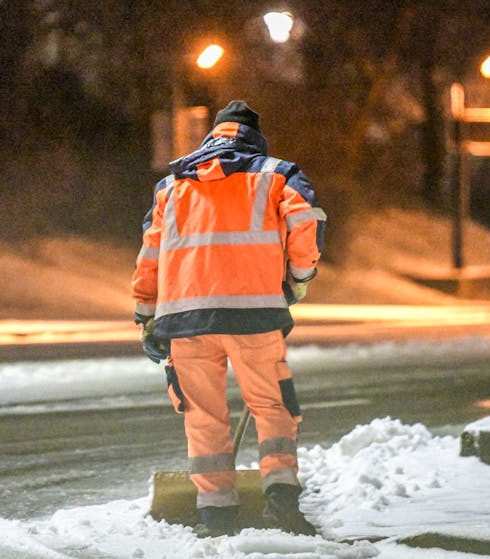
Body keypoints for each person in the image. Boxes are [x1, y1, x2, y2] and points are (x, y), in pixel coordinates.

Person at [132, 100, 325, 537]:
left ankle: (217, 514)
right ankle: (281, 500)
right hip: (256, 316)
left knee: (203, 415)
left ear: (211, 138)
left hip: (186, 321)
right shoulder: (278, 175)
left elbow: (150, 254)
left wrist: (146, 314)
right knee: (273, 406)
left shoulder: (172, 185)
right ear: (256, 139)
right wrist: (298, 277)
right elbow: (306, 224)